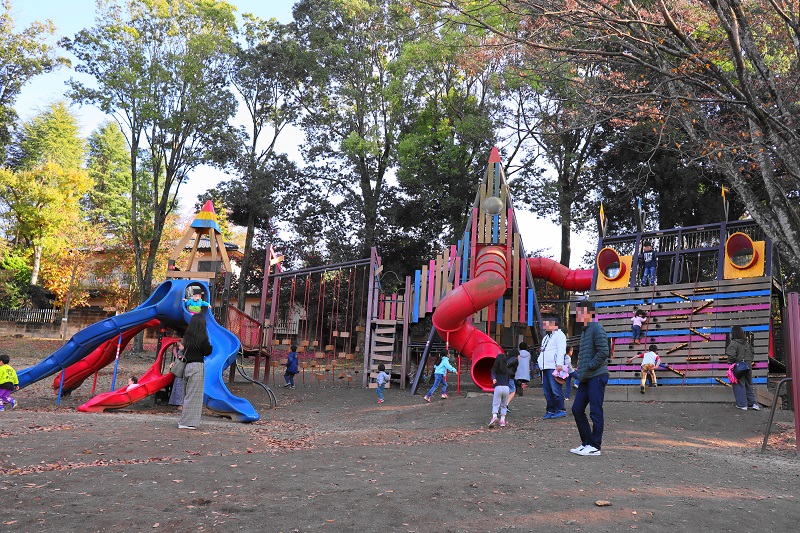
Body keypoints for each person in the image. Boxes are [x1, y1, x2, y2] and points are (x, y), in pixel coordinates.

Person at [571, 301, 610, 457]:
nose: (577, 315)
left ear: (589, 313)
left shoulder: (597, 328)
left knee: (595, 411)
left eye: (580, 311)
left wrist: (590, 366)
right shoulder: (585, 331)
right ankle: (586, 442)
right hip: (586, 377)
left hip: (597, 376)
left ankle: (595, 446)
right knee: (577, 409)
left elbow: (603, 351)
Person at [179, 311, 212, 430]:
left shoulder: (187, 336)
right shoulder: (202, 337)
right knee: (195, 395)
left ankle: (184, 420)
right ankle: (188, 422)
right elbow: (207, 351)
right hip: (197, 366)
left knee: (187, 394)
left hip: (187, 366)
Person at [539, 318, 568, 419]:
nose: (544, 326)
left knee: (555, 389)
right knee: (547, 390)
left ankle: (560, 409)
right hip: (545, 366)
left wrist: (559, 364)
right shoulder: (546, 337)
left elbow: (561, 350)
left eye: (546, 324)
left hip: (553, 366)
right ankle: (550, 409)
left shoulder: (560, 335)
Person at [726, 326, 758, 410]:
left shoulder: (733, 343)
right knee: (749, 384)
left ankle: (742, 404)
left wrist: (730, 362)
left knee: (739, 384)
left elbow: (731, 355)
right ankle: (752, 403)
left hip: (738, 365)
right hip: (748, 365)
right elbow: (752, 353)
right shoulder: (747, 343)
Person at [489, 353, 511, 428]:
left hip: (498, 387)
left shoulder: (494, 369)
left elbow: (493, 375)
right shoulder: (507, 370)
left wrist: (494, 379)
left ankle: (494, 416)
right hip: (506, 388)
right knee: (504, 405)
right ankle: (502, 420)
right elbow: (508, 379)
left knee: (496, 403)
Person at [168, 342, 185, 407]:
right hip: (179, 371)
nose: (179, 348)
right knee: (177, 384)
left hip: (181, 371)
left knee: (179, 385)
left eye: (180, 346)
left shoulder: (185, 352)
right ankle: (177, 402)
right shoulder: (180, 351)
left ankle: (180, 403)